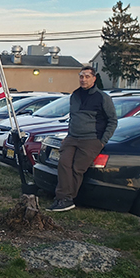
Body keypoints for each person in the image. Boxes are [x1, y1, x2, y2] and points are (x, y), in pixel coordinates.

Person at [46, 66, 117, 212]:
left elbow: (112, 120)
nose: (83, 79)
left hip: (91, 139)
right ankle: (62, 198)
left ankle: (67, 199)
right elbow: (73, 118)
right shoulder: (75, 95)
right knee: (63, 164)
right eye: (81, 76)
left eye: (87, 76)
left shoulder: (103, 98)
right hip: (73, 138)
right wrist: (68, 135)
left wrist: (102, 140)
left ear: (94, 78)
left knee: (77, 169)